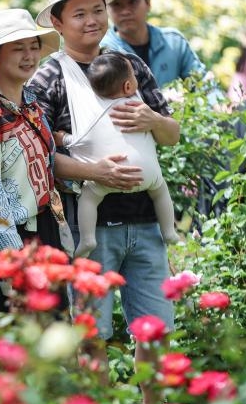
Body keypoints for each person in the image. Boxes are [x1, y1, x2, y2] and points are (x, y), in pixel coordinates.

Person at [26, 0, 179, 404]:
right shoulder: (48, 77)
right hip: (89, 228)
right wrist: (95, 170)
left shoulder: (128, 65)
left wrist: (152, 118)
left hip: (146, 221)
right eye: (79, 14)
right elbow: (41, 156)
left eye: (97, 10)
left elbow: (171, 136)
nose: (92, 21)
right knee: (92, 331)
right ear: (57, 23)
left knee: (156, 330)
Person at [0, 8, 71, 266]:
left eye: (34, 47)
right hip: (15, 237)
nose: (29, 56)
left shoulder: (31, 103)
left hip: (46, 227)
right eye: (18, 48)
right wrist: (15, 258)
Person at [73, 52, 179, 258]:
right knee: (160, 190)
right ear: (128, 87)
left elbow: (79, 138)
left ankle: (87, 239)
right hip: (147, 173)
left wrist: (65, 139)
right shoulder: (139, 106)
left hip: (109, 172)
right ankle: (169, 232)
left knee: (89, 196)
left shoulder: (92, 111)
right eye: (133, 76)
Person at [100, 0, 207, 88]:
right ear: (107, 10)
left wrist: (219, 105)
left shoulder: (174, 43)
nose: (125, 11)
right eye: (117, 5)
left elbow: (204, 84)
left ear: (148, 3)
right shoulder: (103, 50)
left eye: (132, 3)